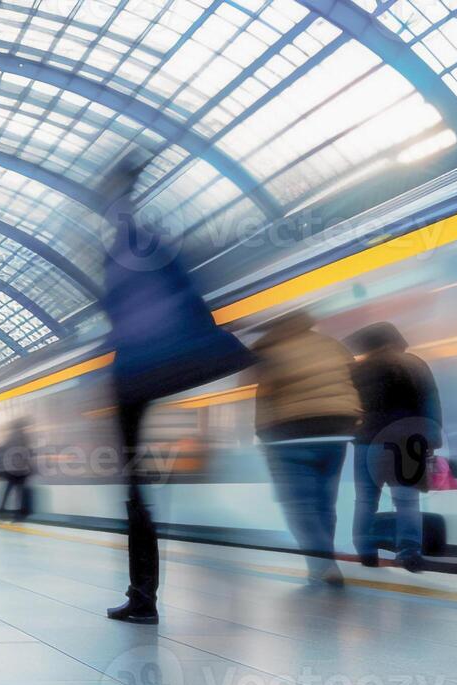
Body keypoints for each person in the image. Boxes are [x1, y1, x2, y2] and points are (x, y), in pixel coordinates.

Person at [98, 156, 251, 623]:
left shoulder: (124, 249)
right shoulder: (157, 250)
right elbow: (189, 290)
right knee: (136, 485)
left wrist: (120, 194)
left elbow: (127, 304)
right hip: (176, 358)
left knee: (135, 485)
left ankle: (143, 597)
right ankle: (141, 596)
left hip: (138, 372)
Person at [251, 312, 361, 586]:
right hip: (336, 431)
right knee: (325, 503)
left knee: (299, 505)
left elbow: (265, 397)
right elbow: (354, 381)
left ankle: (323, 564)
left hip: (290, 432)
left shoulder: (273, 348)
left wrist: (262, 434)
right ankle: (323, 564)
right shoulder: (331, 344)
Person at [349, 322, 442, 573]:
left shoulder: (357, 370)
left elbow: (348, 408)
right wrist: (432, 440)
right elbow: (431, 403)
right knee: (408, 501)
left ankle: (366, 551)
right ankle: (409, 552)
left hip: (367, 443)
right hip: (407, 440)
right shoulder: (414, 364)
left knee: (366, 500)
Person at [0, 418, 34, 521]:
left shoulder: (10, 437)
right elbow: (28, 453)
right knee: (19, 493)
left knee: (8, 491)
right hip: (20, 470)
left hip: (10, 470)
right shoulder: (23, 437)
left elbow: (3, 451)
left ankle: (1, 510)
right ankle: (18, 514)